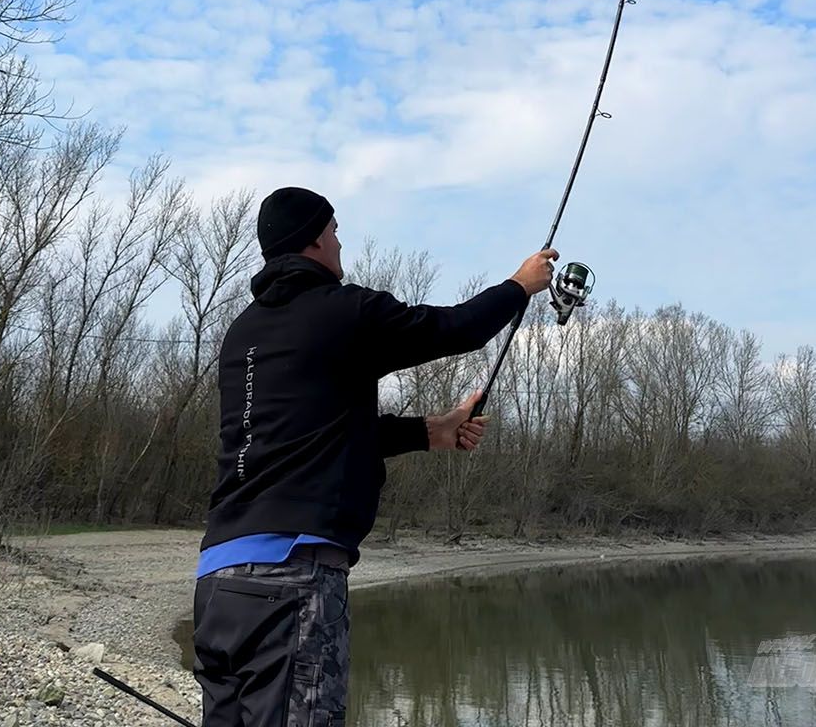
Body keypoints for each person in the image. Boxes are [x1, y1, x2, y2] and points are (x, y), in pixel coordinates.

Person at [193, 186, 558, 727]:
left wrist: (430, 431)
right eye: (335, 230)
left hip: (217, 585)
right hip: (291, 579)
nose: (340, 242)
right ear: (315, 238)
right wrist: (520, 286)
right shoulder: (343, 311)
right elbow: (456, 328)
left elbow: (313, 435)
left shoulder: (241, 334)